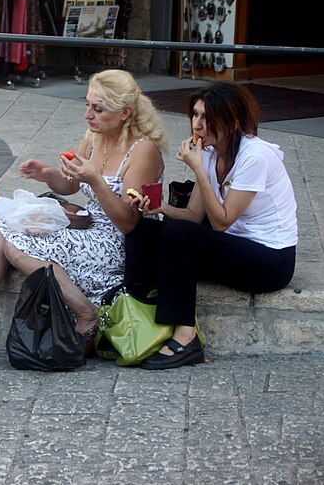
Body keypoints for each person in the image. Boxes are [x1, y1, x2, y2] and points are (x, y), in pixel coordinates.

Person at [0, 69, 166, 355]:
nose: (88, 114)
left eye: (98, 109)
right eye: (88, 104)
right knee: (6, 230)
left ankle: (86, 313)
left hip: (119, 243)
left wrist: (95, 180)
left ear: (125, 112)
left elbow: (129, 223)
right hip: (89, 228)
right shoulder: (95, 136)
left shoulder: (143, 151)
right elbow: (70, 185)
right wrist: (49, 175)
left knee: (13, 245)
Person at [126, 82, 298, 370]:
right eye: (195, 115)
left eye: (207, 118)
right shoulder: (208, 152)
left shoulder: (255, 157)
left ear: (232, 123)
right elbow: (194, 215)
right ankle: (135, 315)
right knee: (144, 230)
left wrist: (197, 169)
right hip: (234, 249)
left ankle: (185, 337)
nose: (198, 125)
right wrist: (158, 208)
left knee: (180, 235)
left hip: (271, 260)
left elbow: (221, 222)